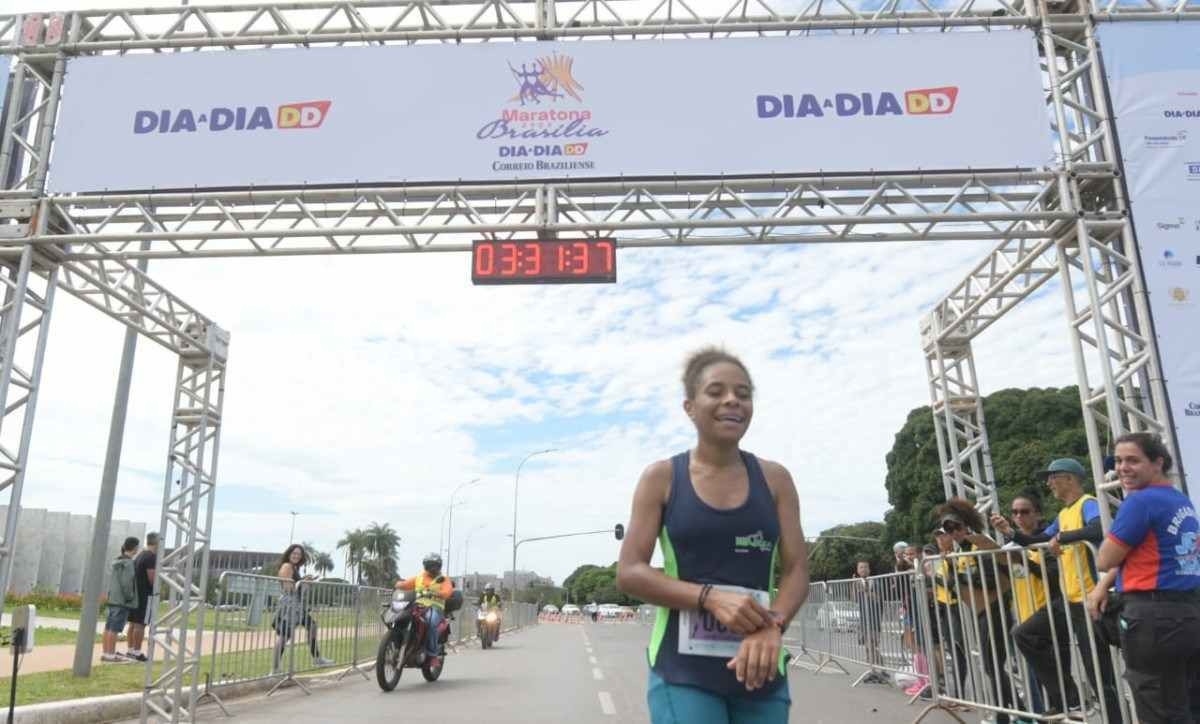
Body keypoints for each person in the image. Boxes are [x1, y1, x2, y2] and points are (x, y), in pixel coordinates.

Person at [616, 347, 809, 724]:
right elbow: (630, 571)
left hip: (761, 666)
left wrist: (774, 626)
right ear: (689, 406)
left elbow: (797, 568)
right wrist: (710, 598)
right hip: (683, 672)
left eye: (743, 393)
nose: (732, 400)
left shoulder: (776, 480)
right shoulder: (662, 478)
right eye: (716, 391)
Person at [1089, 433, 1200, 723]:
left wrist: (1104, 576)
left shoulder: (1141, 502)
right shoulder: (1179, 501)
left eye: (1133, 460)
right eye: (1119, 461)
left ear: (1157, 463)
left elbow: (1106, 558)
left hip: (1154, 619)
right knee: (1188, 705)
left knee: (1159, 710)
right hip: (1186, 612)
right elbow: (1143, 553)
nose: (1122, 467)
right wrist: (1105, 584)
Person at [1010, 458, 1124, 722]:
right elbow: (1036, 539)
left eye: (1053, 477)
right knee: (1024, 634)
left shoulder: (1089, 503)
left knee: (1098, 673)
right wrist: (1010, 533)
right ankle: (1069, 698)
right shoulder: (1063, 514)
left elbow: (1098, 529)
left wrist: (1062, 537)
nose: (1049, 483)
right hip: (1068, 600)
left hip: (1091, 600)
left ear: (1070, 478)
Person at [934, 499, 1014, 723]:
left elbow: (991, 581)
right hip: (980, 613)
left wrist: (960, 577)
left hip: (996, 610)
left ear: (967, 524)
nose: (954, 533)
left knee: (992, 666)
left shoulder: (982, 545)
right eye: (948, 529)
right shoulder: (960, 552)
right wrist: (949, 569)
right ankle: (1015, 709)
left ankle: (1006, 714)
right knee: (991, 666)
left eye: (956, 527)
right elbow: (956, 587)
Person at [991, 491, 1060, 719]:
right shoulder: (1011, 545)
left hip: (1046, 615)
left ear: (1037, 514)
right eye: (1015, 512)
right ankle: (1038, 717)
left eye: (1025, 511)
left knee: (1052, 676)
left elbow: (1053, 576)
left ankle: (1060, 715)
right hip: (1021, 616)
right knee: (1031, 677)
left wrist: (1025, 560)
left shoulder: (1046, 540)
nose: (1019, 516)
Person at [272, 544, 334, 673]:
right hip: (289, 606)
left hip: (297, 606)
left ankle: (317, 658)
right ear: (289, 554)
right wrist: (303, 583)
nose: (296, 556)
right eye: (294, 553)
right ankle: (275, 669)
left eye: (299, 554)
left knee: (312, 626)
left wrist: (304, 581)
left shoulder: (294, 568)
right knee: (284, 636)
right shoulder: (287, 566)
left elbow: (296, 586)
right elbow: (288, 588)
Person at [396, 552, 455, 671]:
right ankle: (399, 643)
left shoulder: (443, 580)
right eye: (429, 565)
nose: (432, 568)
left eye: (435, 565)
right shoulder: (419, 578)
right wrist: (397, 584)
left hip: (435, 608)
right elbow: (404, 585)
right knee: (402, 616)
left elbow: (448, 591)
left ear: (439, 566)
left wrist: (438, 593)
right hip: (418, 606)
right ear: (425, 566)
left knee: (431, 623)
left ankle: (432, 655)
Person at [102, 536, 140, 663]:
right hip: (122, 601)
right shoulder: (129, 563)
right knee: (115, 629)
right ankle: (111, 655)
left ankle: (106, 653)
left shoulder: (117, 561)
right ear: (134, 548)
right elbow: (127, 583)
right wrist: (130, 597)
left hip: (113, 598)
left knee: (108, 627)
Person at [124, 531, 158, 662]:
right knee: (140, 624)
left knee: (133, 624)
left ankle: (131, 650)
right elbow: (152, 579)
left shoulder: (140, 555)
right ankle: (137, 652)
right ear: (156, 543)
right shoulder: (151, 557)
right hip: (145, 596)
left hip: (136, 594)